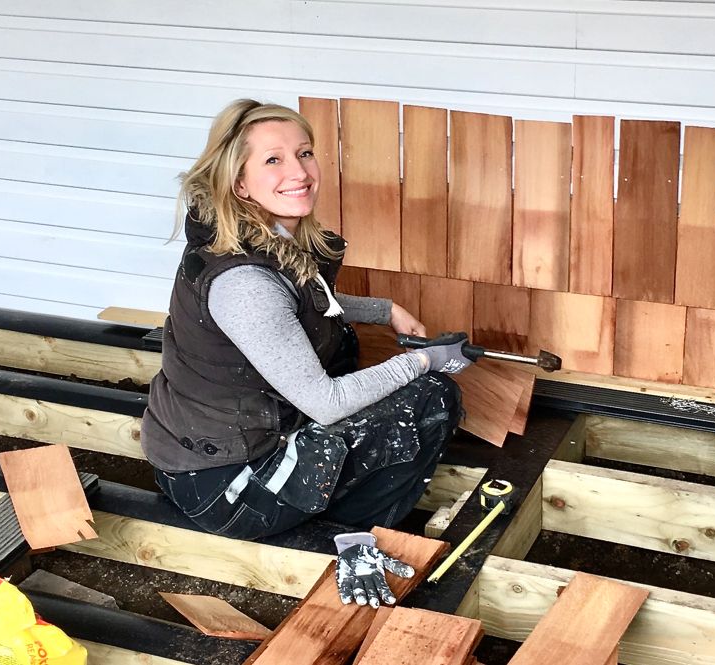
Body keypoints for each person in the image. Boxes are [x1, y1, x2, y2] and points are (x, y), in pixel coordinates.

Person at [140, 98, 473, 606]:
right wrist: (424, 360)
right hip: (229, 488)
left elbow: (301, 299)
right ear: (238, 181)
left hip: (200, 448)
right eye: (273, 159)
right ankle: (350, 533)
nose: (299, 171)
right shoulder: (245, 282)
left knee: (355, 350)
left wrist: (384, 311)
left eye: (305, 153)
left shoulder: (250, 235)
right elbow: (326, 402)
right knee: (429, 399)